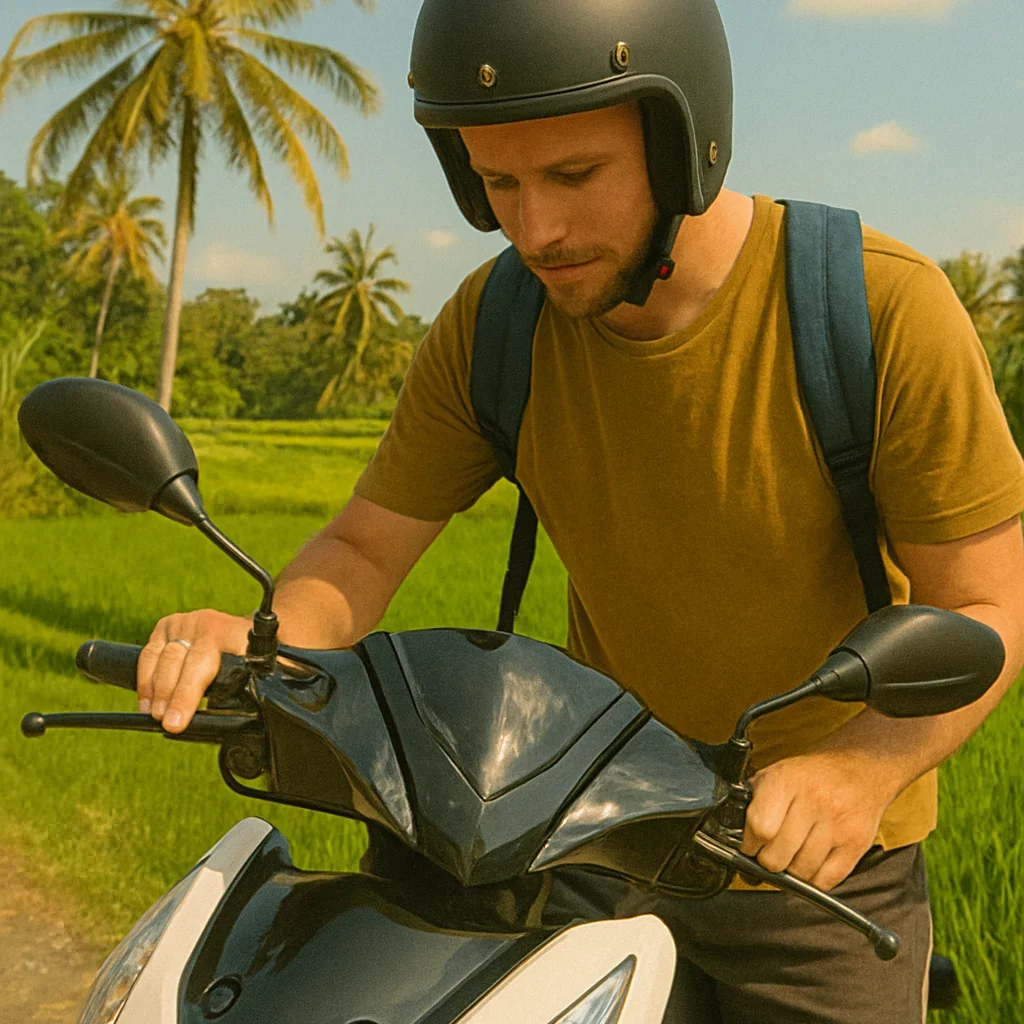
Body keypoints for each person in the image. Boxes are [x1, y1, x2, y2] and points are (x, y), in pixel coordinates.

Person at [136, 1, 1024, 1020]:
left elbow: (986, 604)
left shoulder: (873, 313)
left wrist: (861, 768)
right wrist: (258, 643)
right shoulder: (496, 323)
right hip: (579, 838)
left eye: (573, 176)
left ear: (685, 142)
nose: (535, 228)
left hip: (811, 873)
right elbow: (364, 543)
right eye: (496, 182)